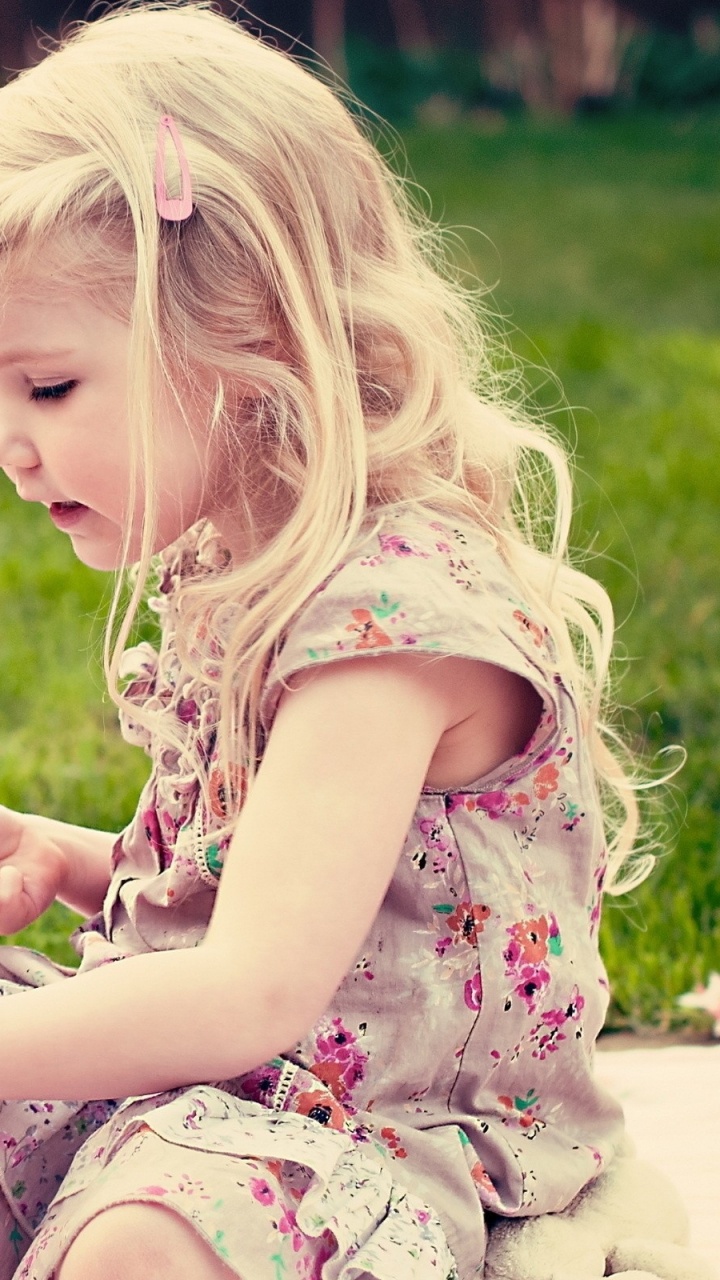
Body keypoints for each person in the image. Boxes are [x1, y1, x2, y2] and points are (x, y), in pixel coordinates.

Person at [0, 5, 647, 1279]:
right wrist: (68, 858)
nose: (10, 443)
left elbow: (252, 988)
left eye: (49, 386)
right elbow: (260, 870)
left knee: (144, 1244)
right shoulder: (243, 557)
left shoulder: (390, 624)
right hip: (234, 1091)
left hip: (381, 1131)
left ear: (244, 333)